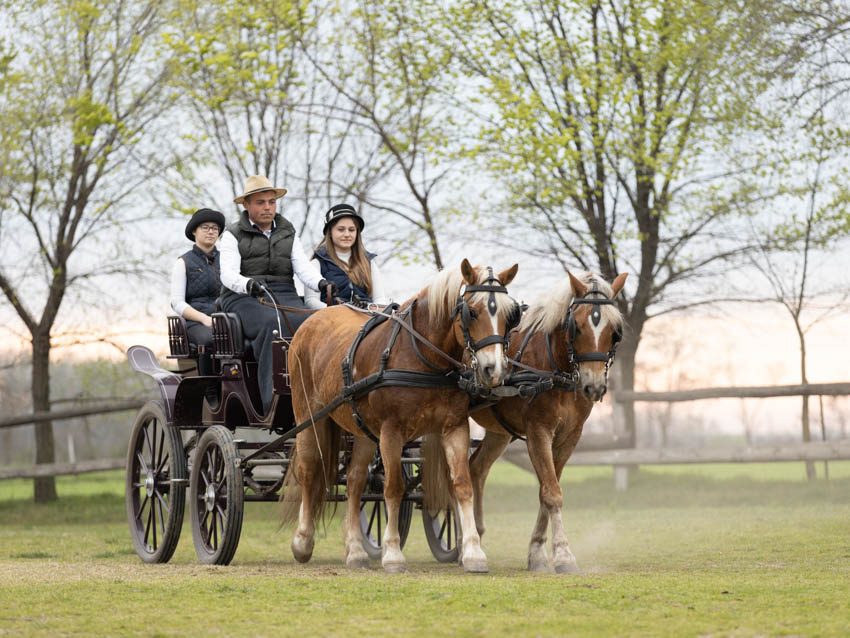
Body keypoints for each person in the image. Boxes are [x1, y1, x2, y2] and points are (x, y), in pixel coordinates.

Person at [219, 175, 337, 416]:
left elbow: (302, 267)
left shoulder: (287, 231)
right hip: (243, 297)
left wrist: (321, 282)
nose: (267, 207)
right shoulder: (233, 234)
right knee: (272, 324)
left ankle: (321, 390)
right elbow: (227, 274)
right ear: (246, 205)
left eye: (271, 202)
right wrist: (248, 284)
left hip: (284, 293)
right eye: (260, 202)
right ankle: (272, 399)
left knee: (316, 323)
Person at [169, 208, 225, 401]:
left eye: (215, 228)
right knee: (210, 340)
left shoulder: (227, 261)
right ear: (194, 231)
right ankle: (210, 391)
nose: (210, 231)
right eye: (205, 227)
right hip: (196, 322)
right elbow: (176, 302)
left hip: (226, 318)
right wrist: (204, 319)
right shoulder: (183, 262)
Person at [304, 203, 388, 309]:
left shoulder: (369, 262)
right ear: (330, 232)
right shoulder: (317, 263)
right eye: (341, 229)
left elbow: (380, 299)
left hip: (367, 319)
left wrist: (371, 311)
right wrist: (339, 312)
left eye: (352, 230)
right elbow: (311, 301)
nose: (347, 234)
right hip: (332, 320)